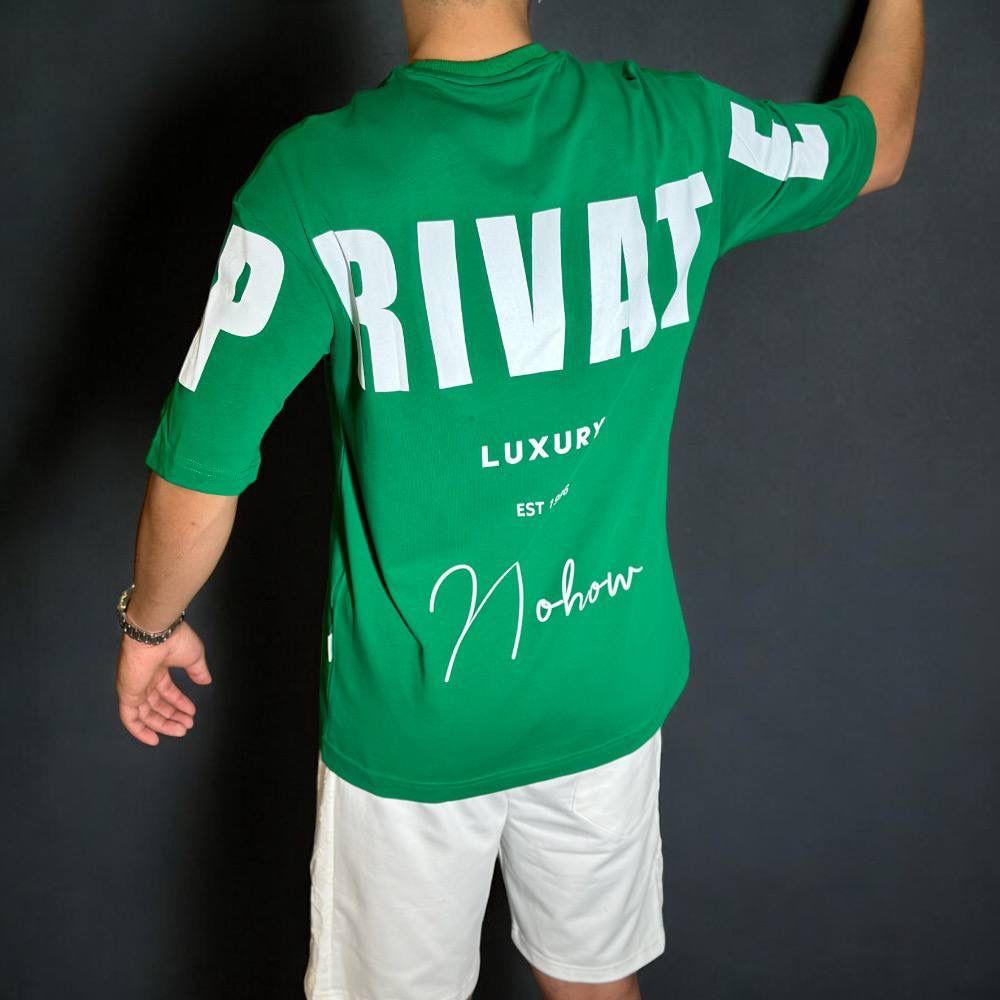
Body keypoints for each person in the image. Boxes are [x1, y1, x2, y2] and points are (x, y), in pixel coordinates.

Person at [114, 1, 923, 997]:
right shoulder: (675, 132)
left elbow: (197, 471)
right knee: (593, 985)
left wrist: (150, 624)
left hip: (420, 713)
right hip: (602, 684)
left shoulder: (316, 180)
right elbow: (878, 142)